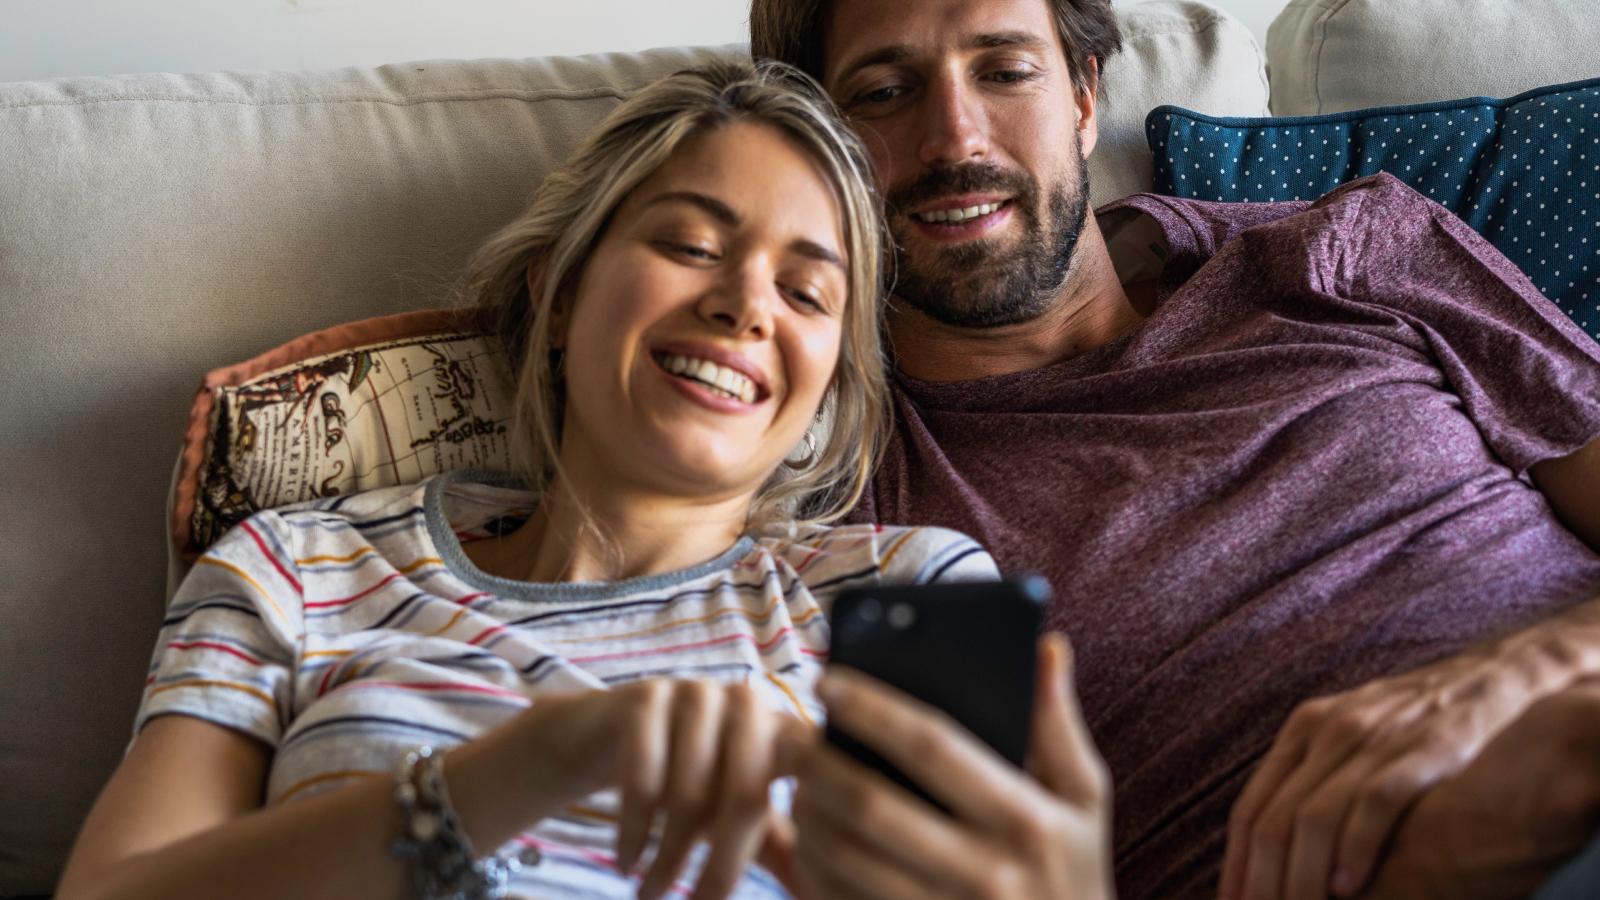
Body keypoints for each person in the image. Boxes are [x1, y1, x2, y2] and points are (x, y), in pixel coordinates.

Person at [54, 60, 1113, 900]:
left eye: (805, 291)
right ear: (556, 295)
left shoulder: (902, 596)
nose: (747, 305)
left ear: (831, 377)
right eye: (692, 244)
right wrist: (540, 760)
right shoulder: (296, 569)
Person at [749, 0, 1600, 898]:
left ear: (1084, 100)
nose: (955, 139)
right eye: (885, 91)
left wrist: (1521, 681)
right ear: (819, 150)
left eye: (1005, 71)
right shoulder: (838, 496)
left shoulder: (1347, 252)